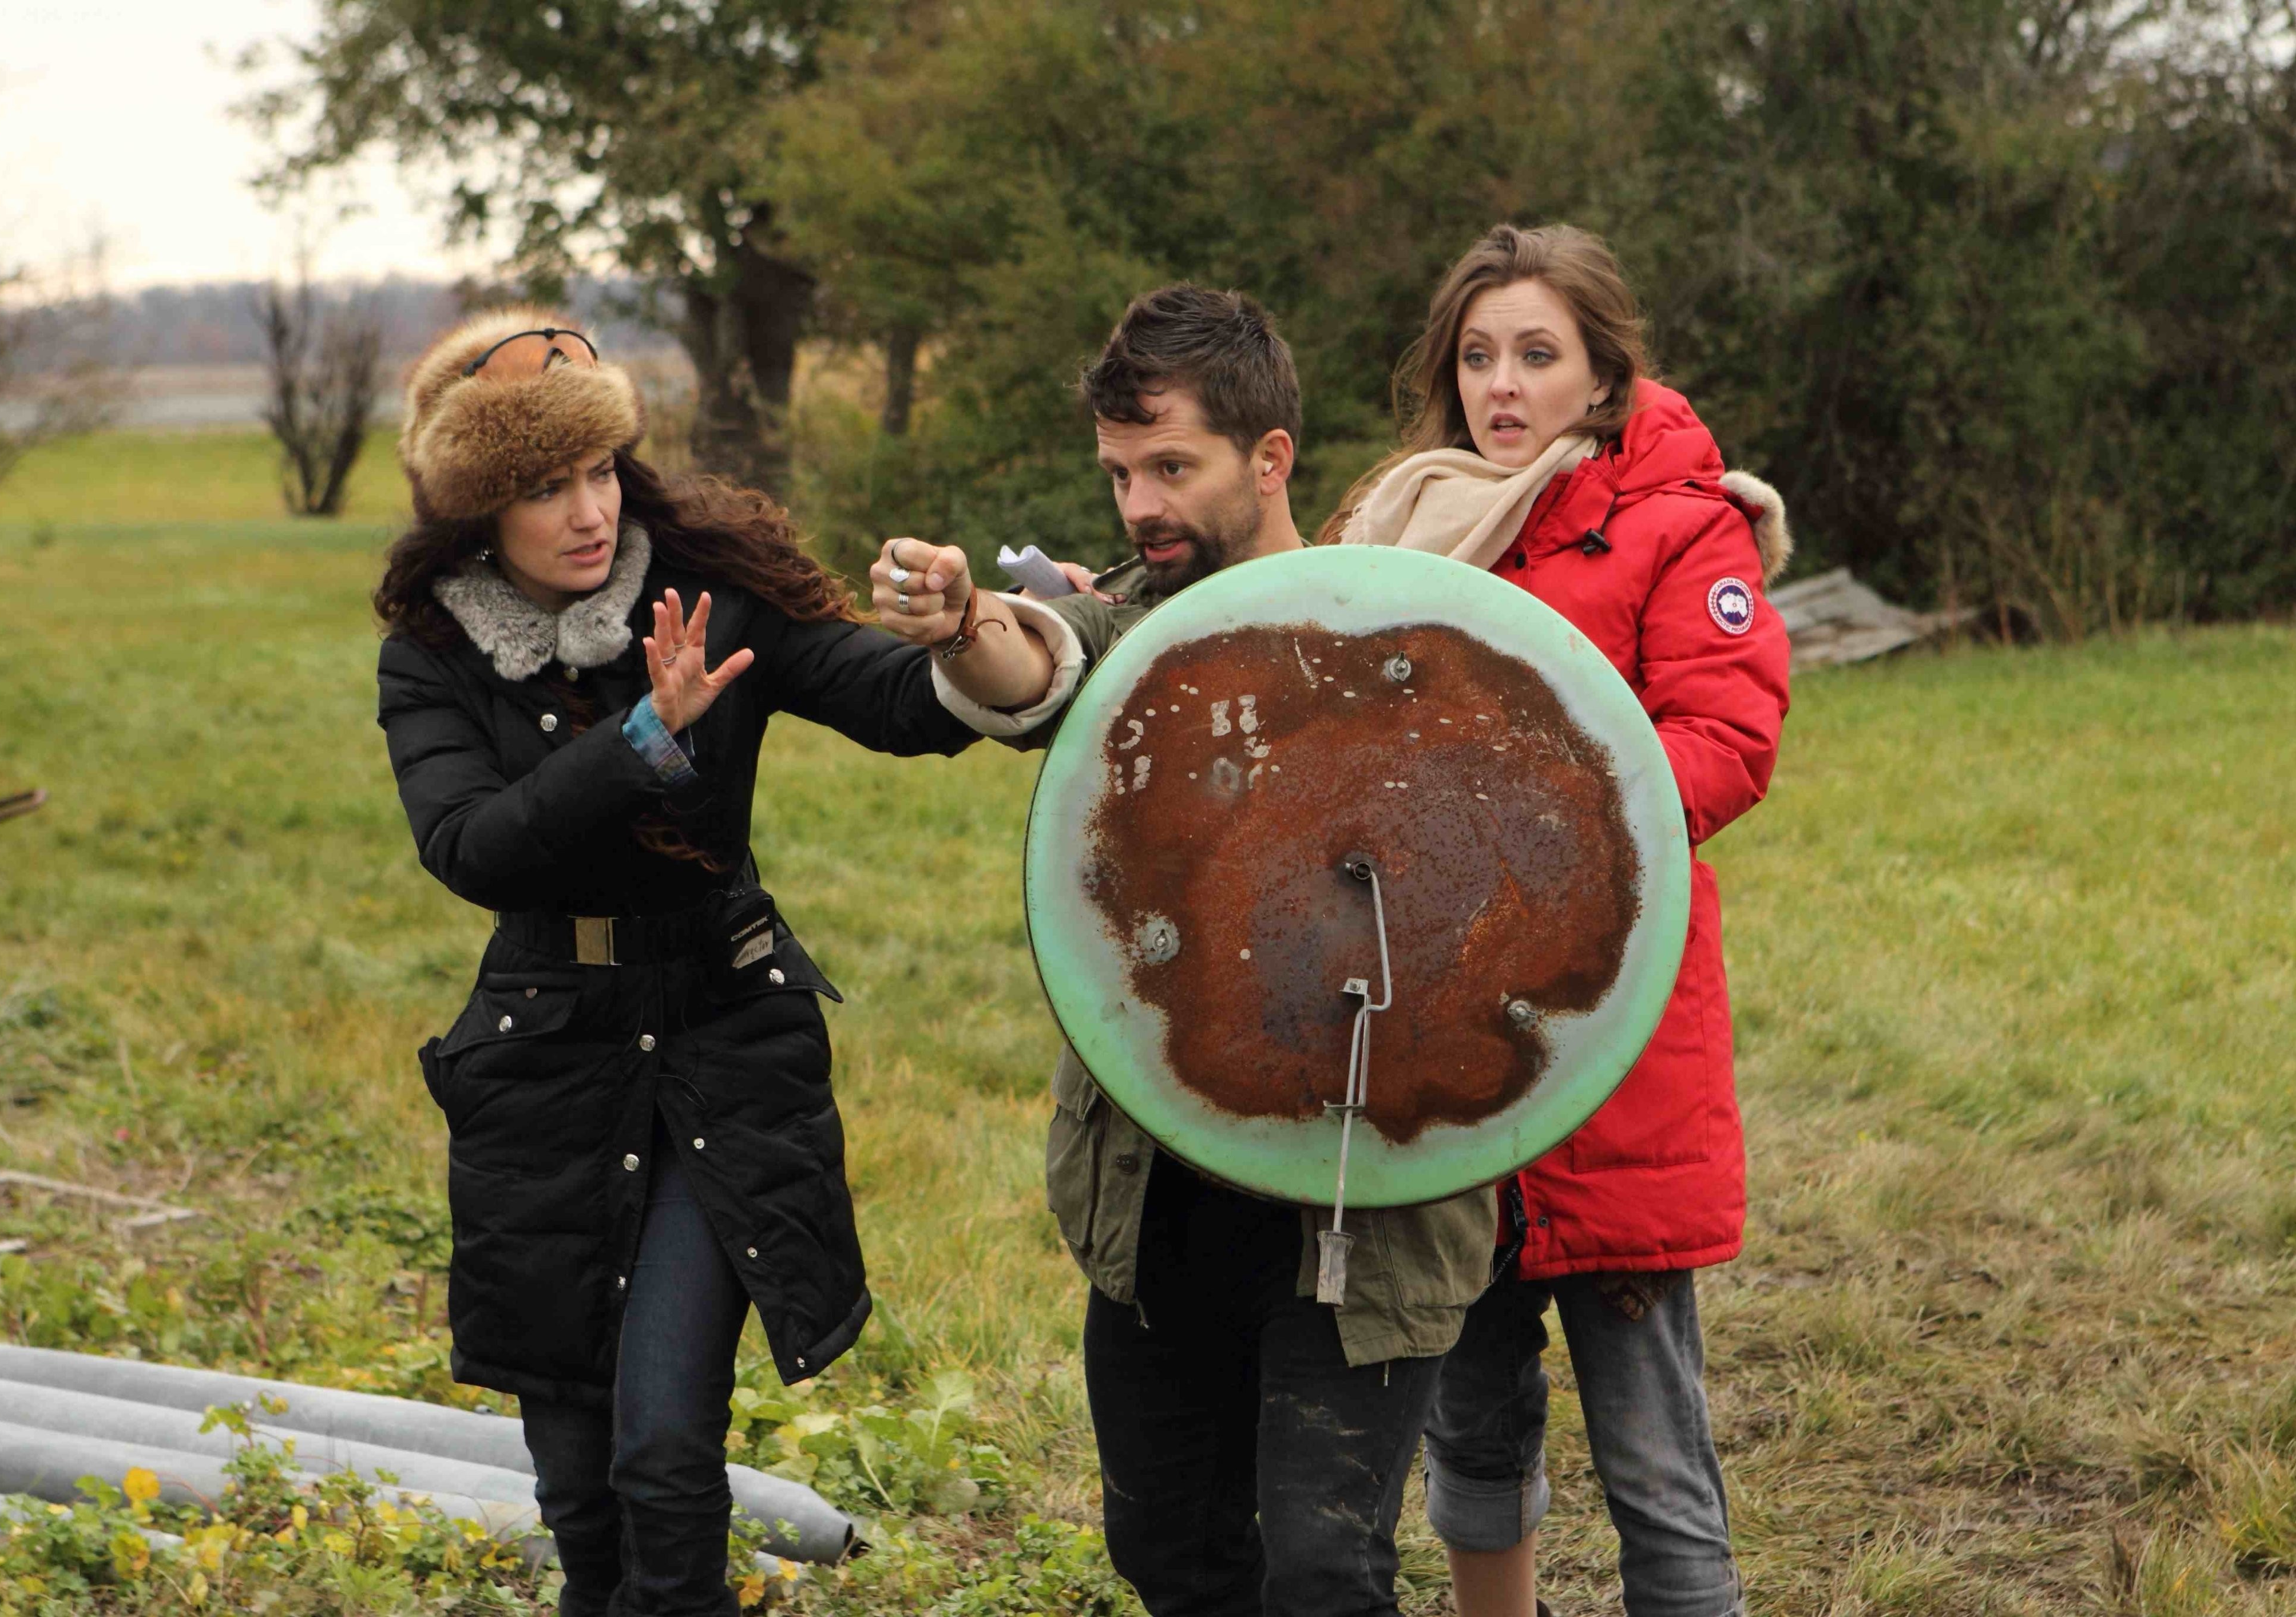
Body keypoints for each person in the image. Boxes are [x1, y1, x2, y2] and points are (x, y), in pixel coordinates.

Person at [371, 308, 1076, 1616]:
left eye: (598, 470)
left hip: (720, 1045)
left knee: (662, 1455)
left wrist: (967, 628)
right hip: (544, 1066)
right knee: (578, 1482)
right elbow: (470, 846)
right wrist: (640, 737)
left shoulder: (707, 580)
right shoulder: (433, 648)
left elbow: (896, 704)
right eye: (541, 488)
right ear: (477, 509)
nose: (586, 512)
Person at [872, 285, 1499, 1617]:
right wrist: (961, 621)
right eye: (1117, 474)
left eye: (1171, 467)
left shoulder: (1401, 634)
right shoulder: (1130, 630)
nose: (1138, 504)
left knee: (1323, 1574)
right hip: (1163, 1188)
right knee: (1173, 1557)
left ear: (1267, 458)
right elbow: (1036, 660)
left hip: (1359, 1196)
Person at [1325, 223, 1792, 1617]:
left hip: (1608, 1025)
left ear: (1601, 372)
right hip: (1443, 1032)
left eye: (1536, 353)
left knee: (1651, 1448)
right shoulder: (1410, 519)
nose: (1501, 384)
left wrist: (1537, 833)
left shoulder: (1682, 524)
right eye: (1476, 356)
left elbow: (1724, 735)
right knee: (1469, 1411)